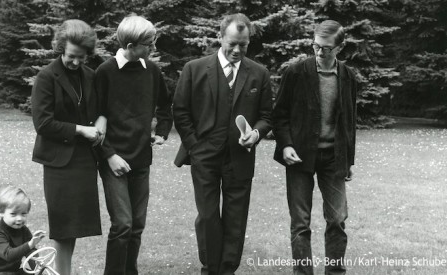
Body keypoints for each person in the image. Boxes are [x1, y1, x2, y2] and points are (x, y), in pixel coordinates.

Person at [173, 13, 272, 275]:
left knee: (235, 218)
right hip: (203, 155)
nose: (238, 50)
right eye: (232, 44)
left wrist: (256, 134)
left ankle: (228, 269)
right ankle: (210, 267)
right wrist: (194, 146)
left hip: (240, 157)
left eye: (244, 44)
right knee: (207, 216)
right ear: (220, 37)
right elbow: (180, 111)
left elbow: (266, 116)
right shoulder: (194, 69)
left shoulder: (259, 74)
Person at [271, 20, 358, 275]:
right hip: (299, 157)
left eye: (326, 49)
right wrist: (286, 145)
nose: (320, 53)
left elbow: (349, 122)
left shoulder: (348, 77)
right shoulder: (296, 72)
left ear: (339, 48)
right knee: (301, 223)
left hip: (334, 158)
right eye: (316, 46)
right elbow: (279, 115)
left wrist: (348, 161)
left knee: (338, 220)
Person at [94, 15, 172, 275]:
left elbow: (165, 105)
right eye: (148, 44)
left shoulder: (152, 71)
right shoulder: (104, 72)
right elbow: (94, 119)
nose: (152, 49)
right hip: (114, 160)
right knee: (123, 224)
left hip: (141, 159)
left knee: (137, 225)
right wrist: (109, 155)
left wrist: (161, 131)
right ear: (130, 46)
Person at [31, 19, 105, 275]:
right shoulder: (46, 77)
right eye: (72, 56)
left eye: (81, 58)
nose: (75, 62)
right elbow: (43, 123)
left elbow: (99, 111)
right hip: (58, 162)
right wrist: (81, 130)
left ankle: (62, 271)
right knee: (63, 227)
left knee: (74, 227)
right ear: (61, 47)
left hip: (84, 160)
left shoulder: (90, 76)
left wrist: (100, 124)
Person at [0, 186, 46, 275]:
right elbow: (9, 255)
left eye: (23, 214)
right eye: (13, 214)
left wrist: (36, 269)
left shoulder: (24, 230)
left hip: (14, 271)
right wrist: (30, 244)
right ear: (1, 212)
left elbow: (30, 252)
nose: (19, 218)